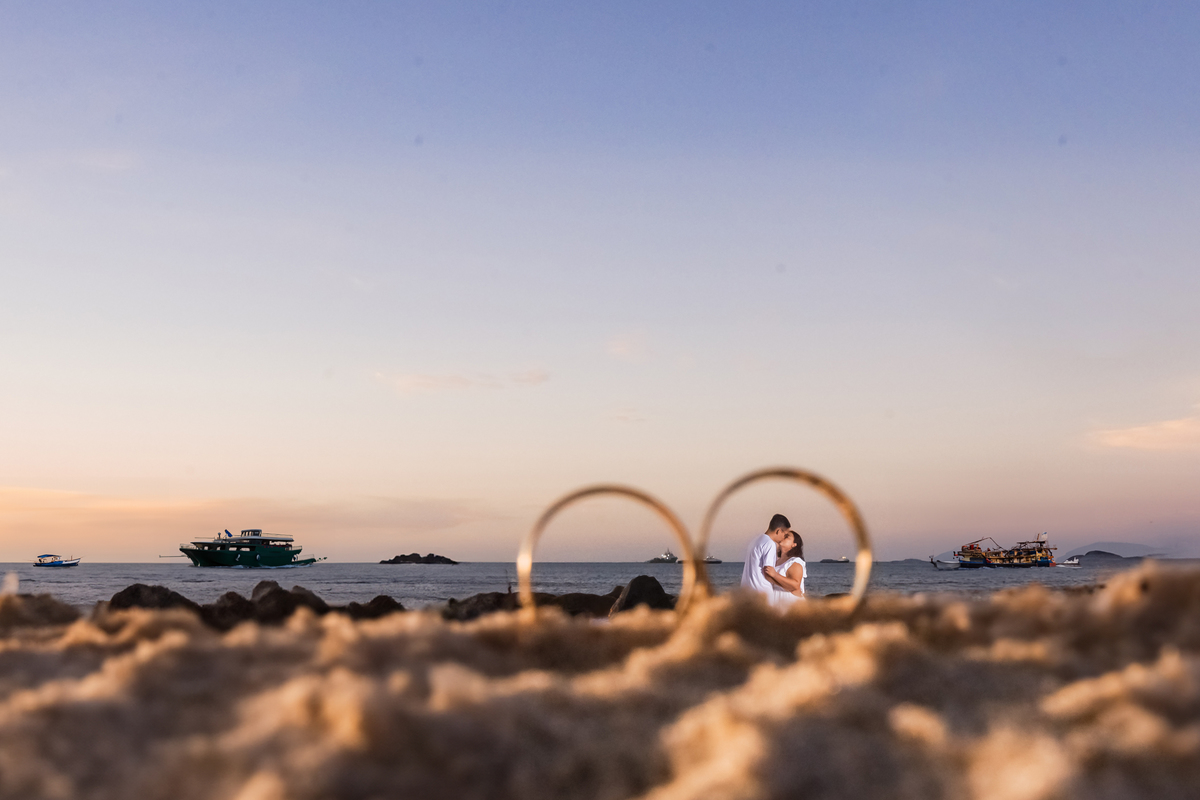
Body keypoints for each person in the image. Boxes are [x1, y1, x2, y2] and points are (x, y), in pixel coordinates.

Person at [740, 514, 792, 597]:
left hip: (747, 593)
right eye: (785, 535)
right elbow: (768, 572)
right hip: (762, 594)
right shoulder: (770, 543)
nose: (783, 538)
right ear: (778, 531)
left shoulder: (755, 541)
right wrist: (786, 587)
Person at [763, 530, 806, 608]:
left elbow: (796, 585)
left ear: (794, 544)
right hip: (777, 606)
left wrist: (775, 575)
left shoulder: (795, 561)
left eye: (786, 537)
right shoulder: (774, 561)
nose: (783, 537)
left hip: (792, 606)